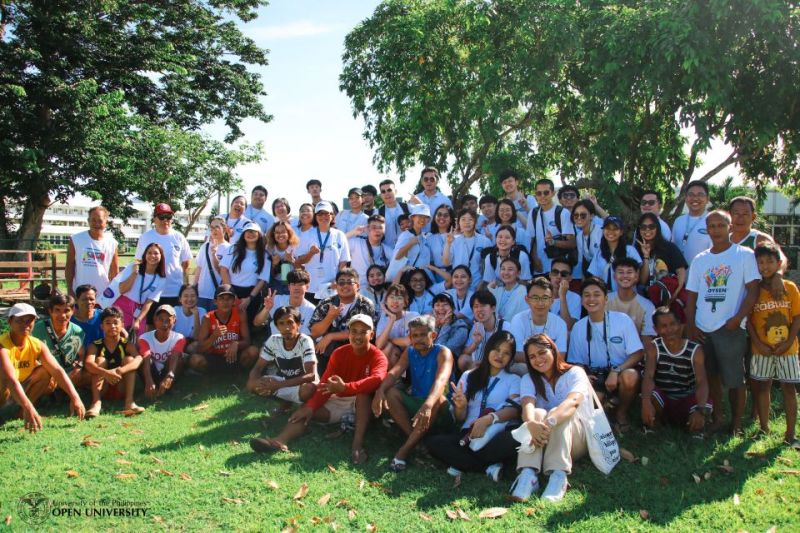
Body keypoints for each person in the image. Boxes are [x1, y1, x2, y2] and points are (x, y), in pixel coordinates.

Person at [250, 314, 388, 464]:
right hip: (339, 399)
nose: (358, 336)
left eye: (363, 332)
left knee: (363, 394)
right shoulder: (339, 353)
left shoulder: (379, 357)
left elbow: (376, 380)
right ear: (349, 333)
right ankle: (279, 441)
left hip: (364, 403)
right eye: (354, 331)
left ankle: (357, 445)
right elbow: (325, 385)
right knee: (307, 409)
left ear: (372, 335)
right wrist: (310, 407)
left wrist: (345, 387)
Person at [685, 210, 760, 435]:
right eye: (712, 226)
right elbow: (691, 297)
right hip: (703, 329)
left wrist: (738, 319)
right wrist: (691, 325)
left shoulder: (744, 255)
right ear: (707, 230)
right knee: (712, 378)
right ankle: (717, 418)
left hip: (730, 327)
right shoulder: (700, 259)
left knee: (735, 379)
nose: (716, 230)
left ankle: (736, 424)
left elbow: (753, 290)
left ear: (730, 227)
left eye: (721, 225)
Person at [425, 330, 521, 482]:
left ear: (511, 357)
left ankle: (462, 463)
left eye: (506, 353)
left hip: (494, 434)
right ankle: (487, 468)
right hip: (467, 435)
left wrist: (489, 419)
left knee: (514, 439)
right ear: (488, 349)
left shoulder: (514, 379)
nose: (500, 355)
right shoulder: (469, 375)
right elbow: (459, 417)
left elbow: (514, 411)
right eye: (496, 349)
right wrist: (461, 406)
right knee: (434, 443)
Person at [510, 334, 593, 502]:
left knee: (557, 412)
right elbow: (527, 404)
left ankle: (559, 476)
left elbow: (573, 402)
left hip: (577, 438)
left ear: (553, 351)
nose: (538, 360)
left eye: (542, 353)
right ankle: (528, 474)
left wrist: (549, 422)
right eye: (532, 357)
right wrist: (531, 423)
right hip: (545, 439)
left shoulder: (575, 372)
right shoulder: (529, 378)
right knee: (537, 414)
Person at [372, 315, 454, 472]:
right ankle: (417, 442)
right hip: (418, 405)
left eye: (423, 334)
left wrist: (428, 404)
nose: (418, 339)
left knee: (437, 399)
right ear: (409, 337)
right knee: (391, 392)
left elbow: (440, 381)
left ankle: (403, 451)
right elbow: (394, 373)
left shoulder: (443, 353)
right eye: (414, 335)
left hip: (441, 410)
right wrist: (380, 391)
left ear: (433, 335)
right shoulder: (410, 351)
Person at [567, 277, 644, 432]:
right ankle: (607, 411)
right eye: (587, 295)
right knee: (594, 407)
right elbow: (575, 362)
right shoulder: (578, 327)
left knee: (630, 377)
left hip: (620, 372)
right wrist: (583, 376)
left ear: (606, 298)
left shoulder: (622, 320)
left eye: (597, 294)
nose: (592, 299)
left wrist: (616, 370)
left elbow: (638, 353)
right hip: (595, 374)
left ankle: (621, 414)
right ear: (582, 300)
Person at [1, 303, 86, 431]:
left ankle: (20, 414)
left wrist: (75, 397)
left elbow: (57, 370)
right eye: (19, 320)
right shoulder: (3, 346)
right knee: (4, 381)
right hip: (5, 391)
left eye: (29, 320)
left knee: (45, 372)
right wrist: (29, 407)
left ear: (34, 321)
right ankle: (22, 411)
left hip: (20, 387)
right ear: (10, 321)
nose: (25, 324)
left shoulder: (36, 344)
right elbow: (11, 380)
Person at [747, 242, 800, 446]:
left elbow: (796, 318)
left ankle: (790, 433)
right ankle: (764, 428)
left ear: (779, 263)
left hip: (788, 349)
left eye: (770, 261)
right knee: (763, 387)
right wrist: (758, 342)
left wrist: (788, 342)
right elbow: (749, 321)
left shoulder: (790, 288)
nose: (765, 266)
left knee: (789, 389)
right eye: (760, 262)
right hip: (762, 349)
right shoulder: (754, 290)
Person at [641, 307, 711, 434]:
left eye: (673, 324)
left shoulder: (695, 350)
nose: (669, 330)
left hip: (686, 400)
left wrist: (700, 409)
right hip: (664, 400)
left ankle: (695, 427)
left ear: (680, 325)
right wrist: (645, 401)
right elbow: (648, 376)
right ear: (656, 329)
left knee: (706, 403)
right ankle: (654, 424)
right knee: (650, 395)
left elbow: (702, 381)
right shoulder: (653, 347)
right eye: (663, 326)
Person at [247, 306, 318, 411]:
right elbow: (258, 367)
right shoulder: (273, 340)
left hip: (302, 384)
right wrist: (254, 382)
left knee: (309, 389)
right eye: (281, 323)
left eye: (290, 322)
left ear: (298, 324)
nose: (287, 328)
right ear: (277, 326)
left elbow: (310, 376)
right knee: (251, 385)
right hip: (284, 382)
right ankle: (285, 402)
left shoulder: (305, 341)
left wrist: (278, 385)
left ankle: (302, 406)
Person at [308, 268, 377, 371]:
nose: (345, 286)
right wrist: (329, 317)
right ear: (336, 286)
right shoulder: (326, 303)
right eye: (341, 283)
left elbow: (363, 332)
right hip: (327, 350)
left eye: (349, 283)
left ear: (357, 286)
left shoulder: (365, 304)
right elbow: (314, 332)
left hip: (354, 347)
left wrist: (331, 336)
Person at [84, 306, 144, 417]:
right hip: (103, 387)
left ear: (121, 325)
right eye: (108, 323)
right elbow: (88, 364)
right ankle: (96, 403)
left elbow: (139, 358)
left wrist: (120, 371)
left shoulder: (127, 344)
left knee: (129, 359)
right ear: (102, 326)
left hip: (121, 386)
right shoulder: (95, 345)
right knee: (99, 360)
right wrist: (106, 373)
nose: (112, 326)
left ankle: (129, 402)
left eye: (116, 323)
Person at [189, 284, 259, 373]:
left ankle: (237, 373)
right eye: (221, 298)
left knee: (253, 351)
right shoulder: (208, 318)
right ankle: (213, 375)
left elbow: (247, 341)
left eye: (229, 298)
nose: (225, 302)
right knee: (195, 360)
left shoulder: (240, 314)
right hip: (214, 357)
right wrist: (214, 336)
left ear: (234, 301)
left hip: (234, 356)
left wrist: (236, 344)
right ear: (215, 302)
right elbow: (200, 348)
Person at [99, 242, 166, 335]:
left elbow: (149, 302)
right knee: (117, 336)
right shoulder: (133, 267)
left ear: (161, 256)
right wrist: (134, 274)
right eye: (149, 253)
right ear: (145, 255)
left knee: (136, 339)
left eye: (156, 253)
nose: (152, 256)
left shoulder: (161, 279)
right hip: (121, 306)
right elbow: (122, 289)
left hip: (139, 311)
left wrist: (138, 320)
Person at [134, 202, 192, 311]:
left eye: (168, 217)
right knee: (149, 325)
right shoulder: (145, 237)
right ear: (154, 219)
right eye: (161, 217)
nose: (165, 220)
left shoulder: (179, 237)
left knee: (173, 324)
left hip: (174, 291)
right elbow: (139, 262)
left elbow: (186, 263)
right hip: (150, 291)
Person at [509, 278, 569, 374]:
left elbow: (561, 356)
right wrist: (542, 360)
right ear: (527, 299)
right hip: (526, 368)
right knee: (521, 367)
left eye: (545, 298)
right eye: (535, 298)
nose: (540, 303)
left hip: (551, 369)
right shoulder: (518, 319)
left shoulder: (560, 324)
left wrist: (539, 361)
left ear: (552, 300)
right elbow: (517, 354)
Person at [635, 212, 688, 318]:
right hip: (648, 300)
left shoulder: (669, 247)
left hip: (671, 298)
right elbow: (642, 280)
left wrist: (674, 295)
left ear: (657, 228)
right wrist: (646, 255)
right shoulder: (636, 250)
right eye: (643, 227)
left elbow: (681, 272)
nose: (647, 230)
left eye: (651, 226)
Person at [297, 201, 351, 302]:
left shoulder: (340, 235)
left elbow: (343, 262)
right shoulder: (306, 235)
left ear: (332, 216)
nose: (323, 217)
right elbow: (299, 261)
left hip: (332, 288)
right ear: (315, 216)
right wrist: (311, 253)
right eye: (320, 214)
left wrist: (338, 280)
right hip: (311, 288)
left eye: (327, 213)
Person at [219, 221, 270, 325]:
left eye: (253, 232)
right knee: (228, 324)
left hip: (252, 293)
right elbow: (223, 269)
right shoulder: (233, 249)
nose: (250, 234)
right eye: (247, 231)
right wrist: (232, 293)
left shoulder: (264, 255)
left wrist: (249, 298)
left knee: (246, 325)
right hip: (231, 290)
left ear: (259, 235)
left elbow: (262, 280)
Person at [32, 293, 86, 388]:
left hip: (68, 372)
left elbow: (81, 354)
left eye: (67, 310)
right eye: (57, 310)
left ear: (73, 311)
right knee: (43, 377)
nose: (62, 315)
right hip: (46, 371)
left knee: (90, 375)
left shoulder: (78, 331)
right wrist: (50, 373)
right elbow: (31, 356)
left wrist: (79, 367)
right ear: (50, 311)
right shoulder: (38, 328)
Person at [66, 205, 119, 296]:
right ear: (88, 221)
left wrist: (113, 293)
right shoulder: (76, 239)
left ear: (106, 222)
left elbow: (114, 271)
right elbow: (70, 265)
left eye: (100, 220)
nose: (96, 224)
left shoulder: (112, 243)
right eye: (93, 220)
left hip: (103, 293)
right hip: (80, 292)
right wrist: (70, 289)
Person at [526, 178, 575, 276]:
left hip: (558, 270)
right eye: (539, 193)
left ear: (553, 193)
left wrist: (553, 242)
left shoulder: (562, 213)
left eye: (546, 193)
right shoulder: (533, 213)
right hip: (539, 268)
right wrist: (534, 258)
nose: (542, 196)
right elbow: (531, 239)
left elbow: (572, 243)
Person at [138, 304, 186, 401]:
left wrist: (170, 375)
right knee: (141, 361)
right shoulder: (144, 338)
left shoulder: (179, 338)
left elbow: (175, 357)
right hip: (152, 372)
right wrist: (148, 380)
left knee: (181, 360)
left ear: (174, 321)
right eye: (160, 319)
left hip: (167, 371)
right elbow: (146, 359)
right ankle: (150, 388)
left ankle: (169, 387)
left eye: (168, 320)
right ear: (155, 320)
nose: (164, 324)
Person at [607, 258, 656, 343]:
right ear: (614, 276)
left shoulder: (648, 306)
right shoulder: (604, 301)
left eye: (629, 272)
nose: (625, 276)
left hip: (637, 353)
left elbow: (647, 341)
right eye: (621, 272)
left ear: (636, 276)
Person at [254, 270, 316, 336]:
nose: (296, 288)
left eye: (300, 284)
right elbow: (257, 323)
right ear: (289, 287)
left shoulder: (311, 309)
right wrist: (266, 309)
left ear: (307, 287)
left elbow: (306, 336)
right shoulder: (276, 300)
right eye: (293, 284)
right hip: (275, 343)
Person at [587, 216, 642, 291]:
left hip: (626, 296)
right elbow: (595, 276)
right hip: (606, 298)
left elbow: (637, 277)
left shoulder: (630, 250)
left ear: (621, 232)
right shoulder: (599, 252)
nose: (611, 231)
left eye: (615, 229)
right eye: (607, 228)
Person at [460, 290, 510, 372]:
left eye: (483, 306)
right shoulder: (476, 326)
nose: (479, 309)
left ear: (493, 308)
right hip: (478, 364)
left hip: (498, 364)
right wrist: (475, 343)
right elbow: (465, 352)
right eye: (476, 306)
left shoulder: (506, 326)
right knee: (462, 359)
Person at [374, 284, 419, 366]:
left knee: (393, 347)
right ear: (386, 302)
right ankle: (391, 377)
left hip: (410, 356)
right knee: (389, 347)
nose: (395, 301)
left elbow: (409, 341)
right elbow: (379, 344)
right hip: (392, 355)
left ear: (405, 303)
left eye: (399, 298)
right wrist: (392, 319)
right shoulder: (384, 318)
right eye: (391, 297)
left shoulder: (413, 316)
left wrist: (390, 339)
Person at [194, 216, 231, 311]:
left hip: (218, 295)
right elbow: (199, 268)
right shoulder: (205, 247)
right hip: (202, 293)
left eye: (217, 227)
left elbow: (223, 272)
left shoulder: (229, 249)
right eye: (212, 228)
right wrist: (194, 287)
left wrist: (214, 255)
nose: (214, 230)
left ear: (224, 229)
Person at [451, 208, 493, 291]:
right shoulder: (454, 241)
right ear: (458, 222)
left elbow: (490, 266)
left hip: (478, 285)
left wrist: (482, 283)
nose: (467, 222)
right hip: (459, 285)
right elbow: (446, 262)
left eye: (470, 219)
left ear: (475, 222)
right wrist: (448, 244)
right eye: (463, 219)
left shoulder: (485, 241)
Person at [671, 180, 712, 264]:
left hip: (703, 275)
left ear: (707, 199)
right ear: (686, 198)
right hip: (679, 275)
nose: (695, 198)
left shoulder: (713, 221)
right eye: (691, 195)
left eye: (700, 195)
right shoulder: (678, 221)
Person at [349, 215, 392, 287]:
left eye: (380, 228)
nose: (377, 230)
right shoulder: (356, 243)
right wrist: (353, 232)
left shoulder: (387, 250)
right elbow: (337, 243)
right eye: (374, 227)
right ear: (368, 229)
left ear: (384, 230)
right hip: (358, 290)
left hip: (378, 291)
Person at [392, 204, 433, 280]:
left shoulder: (426, 236)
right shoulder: (405, 235)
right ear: (413, 218)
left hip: (425, 277)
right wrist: (410, 244)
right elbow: (397, 257)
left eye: (425, 217)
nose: (422, 219)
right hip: (411, 278)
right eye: (420, 216)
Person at [411, 166, 452, 232]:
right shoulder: (414, 199)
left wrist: (421, 205)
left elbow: (449, 221)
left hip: (438, 237)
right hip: (418, 238)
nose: (429, 181)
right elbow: (411, 221)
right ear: (422, 181)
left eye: (432, 179)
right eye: (426, 179)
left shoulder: (445, 200)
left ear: (437, 181)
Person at [570, 199, 603, 283]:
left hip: (605, 275)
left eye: (583, 215)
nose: (579, 218)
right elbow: (582, 261)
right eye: (576, 215)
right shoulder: (579, 236)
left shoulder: (600, 232)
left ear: (591, 216)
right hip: (592, 276)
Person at [265, 220, 300, 295]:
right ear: (273, 234)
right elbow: (266, 273)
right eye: (277, 232)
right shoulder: (269, 248)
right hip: (275, 284)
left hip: (292, 284)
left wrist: (292, 261)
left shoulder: (295, 247)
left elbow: (302, 271)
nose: (280, 235)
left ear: (289, 233)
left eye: (283, 232)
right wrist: (274, 264)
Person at [431, 293, 470, 359]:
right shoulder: (430, 324)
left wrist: (446, 325)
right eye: (437, 305)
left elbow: (441, 351)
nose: (441, 308)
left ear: (453, 309)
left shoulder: (461, 328)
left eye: (445, 304)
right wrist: (436, 327)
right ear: (433, 309)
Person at [548, 257, 582, 329]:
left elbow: (568, 326)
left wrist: (562, 296)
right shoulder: (540, 294)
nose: (559, 276)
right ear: (550, 275)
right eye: (555, 272)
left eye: (564, 274)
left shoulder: (575, 298)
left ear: (570, 278)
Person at [377, 179, 411, 248]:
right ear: (381, 195)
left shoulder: (407, 207)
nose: (387, 193)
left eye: (389, 190)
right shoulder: (378, 212)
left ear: (395, 191)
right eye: (383, 192)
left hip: (408, 248)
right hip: (387, 251)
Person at [427, 205, 455, 282]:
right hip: (437, 275)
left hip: (455, 274)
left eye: (446, 215)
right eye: (439, 214)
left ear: (451, 219)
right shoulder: (430, 238)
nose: (442, 218)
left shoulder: (457, 237)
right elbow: (431, 261)